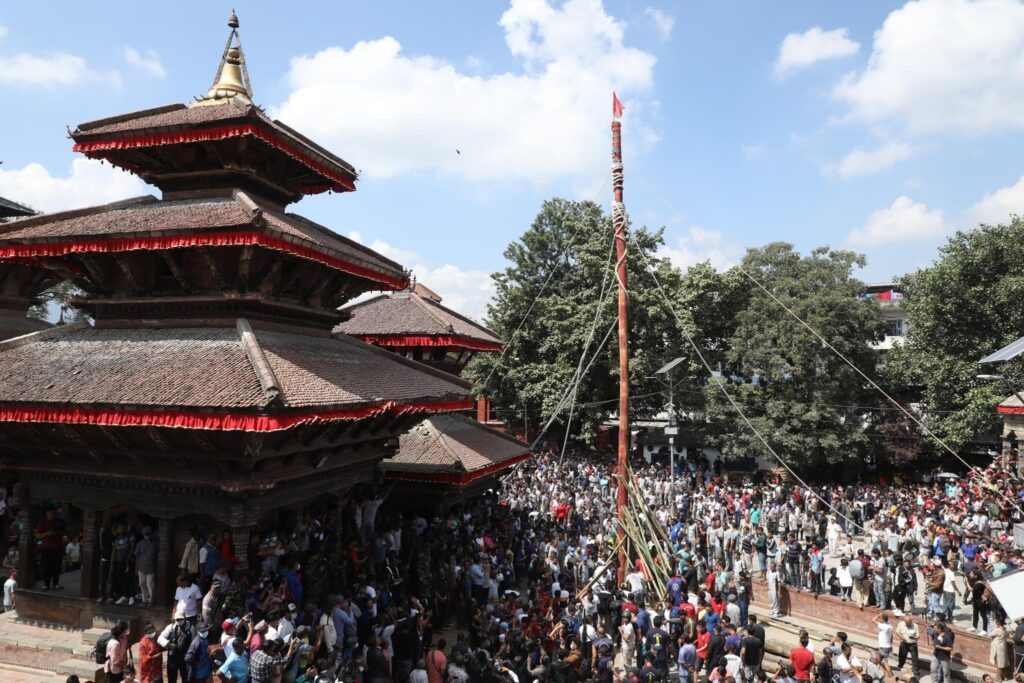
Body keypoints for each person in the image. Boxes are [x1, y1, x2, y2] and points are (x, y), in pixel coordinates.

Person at [33, 505, 66, 591]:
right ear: (46, 514)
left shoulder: (59, 521)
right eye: (49, 513)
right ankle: (46, 584)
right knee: (46, 567)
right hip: (46, 548)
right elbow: (37, 535)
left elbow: (64, 531)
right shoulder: (42, 522)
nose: (51, 515)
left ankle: (56, 584)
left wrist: (58, 533)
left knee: (56, 566)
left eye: (52, 513)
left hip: (57, 547)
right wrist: (47, 533)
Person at [135, 526, 158, 608]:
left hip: (151, 568)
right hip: (141, 567)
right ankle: (145, 600)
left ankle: (151, 600)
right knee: (142, 584)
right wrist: (136, 568)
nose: (147, 536)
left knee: (150, 585)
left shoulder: (155, 544)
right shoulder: (140, 543)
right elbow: (137, 556)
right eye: (146, 534)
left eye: (148, 534)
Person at [988, 616, 1011, 681]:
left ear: (998, 623)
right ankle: (1004, 677)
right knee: (1003, 663)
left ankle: (999, 677)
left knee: (999, 664)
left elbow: (990, 635)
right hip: (1003, 647)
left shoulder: (997, 630)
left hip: (998, 648)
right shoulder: (1005, 629)